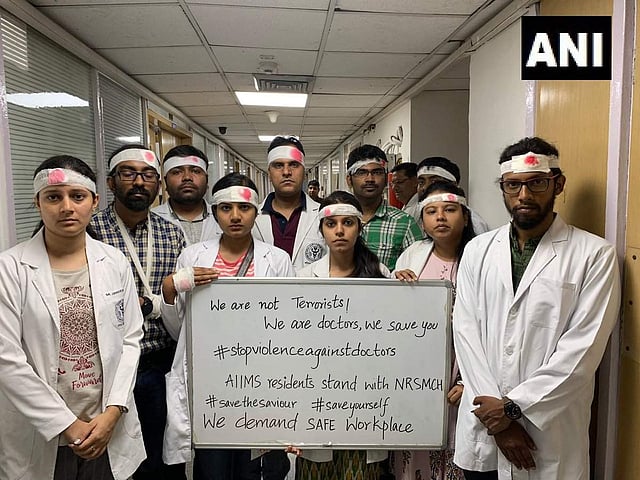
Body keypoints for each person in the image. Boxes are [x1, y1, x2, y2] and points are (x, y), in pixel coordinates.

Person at [452, 137, 621, 479]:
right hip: (484, 429)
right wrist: (498, 421)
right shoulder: (477, 250)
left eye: (537, 183)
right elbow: (466, 333)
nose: (524, 195)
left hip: (547, 434)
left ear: (558, 184)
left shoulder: (594, 255)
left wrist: (513, 410)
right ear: (503, 187)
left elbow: (582, 351)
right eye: (513, 185)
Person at [0, 155, 145, 479]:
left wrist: (114, 410)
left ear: (94, 201)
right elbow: (6, 359)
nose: (66, 207)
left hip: (107, 427)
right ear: (38, 203)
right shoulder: (9, 269)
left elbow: (131, 339)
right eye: (54, 197)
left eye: (77, 196)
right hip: (42, 432)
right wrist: (66, 424)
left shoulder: (114, 262)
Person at [161, 173, 294, 480]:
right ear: (215, 212)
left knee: (255, 468)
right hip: (210, 379)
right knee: (213, 467)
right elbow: (179, 329)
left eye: (244, 208)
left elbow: (288, 326)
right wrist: (169, 290)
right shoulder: (193, 257)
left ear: (256, 212)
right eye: (226, 208)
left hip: (261, 379)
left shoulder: (277, 259)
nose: (235, 216)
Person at [91, 144, 187, 480]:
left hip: (158, 360)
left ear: (158, 185)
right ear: (111, 182)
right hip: (107, 364)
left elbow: (181, 297)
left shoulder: (171, 233)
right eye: (128, 174)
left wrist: (154, 303)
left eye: (147, 175)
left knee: (161, 458)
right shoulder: (91, 230)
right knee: (110, 459)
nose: (138, 182)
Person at [295, 190, 390, 480]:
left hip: (366, 399)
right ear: (321, 229)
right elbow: (292, 347)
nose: (339, 231)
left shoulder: (380, 274)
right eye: (331, 224)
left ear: (359, 227)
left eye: (348, 223)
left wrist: (407, 286)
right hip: (315, 397)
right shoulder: (303, 278)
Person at [392, 182, 476, 480]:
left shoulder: (480, 256)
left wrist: (469, 380)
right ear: (423, 220)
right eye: (431, 212)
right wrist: (397, 285)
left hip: (463, 371)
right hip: (418, 372)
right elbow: (393, 318)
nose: (440, 217)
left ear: (465, 216)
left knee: (458, 448)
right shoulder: (412, 255)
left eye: (449, 210)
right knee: (418, 445)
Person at [253, 135, 326, 270]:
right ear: (269, 173)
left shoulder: (323, 215)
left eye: (294, 164)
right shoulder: (251, 218)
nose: (286, 172)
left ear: (304, 171)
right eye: (278, 165)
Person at [346, 144, 423, 271]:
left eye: (377, 172)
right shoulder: (334, 221)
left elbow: (418, 270)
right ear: (349, 180)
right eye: (361, 172)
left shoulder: (404, 223)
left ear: (386, 178)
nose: (370, 179)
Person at [153, 145, 221, 245]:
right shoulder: (151, 219)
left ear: (207, 180)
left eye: (195, 171)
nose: (187, 177)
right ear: (165, 181)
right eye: (177, 172)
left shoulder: (224, 217)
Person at [416, 156, 490, 234]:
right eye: (421, 182)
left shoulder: (474, 223)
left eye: (434, 181)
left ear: (453, 185)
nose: (425, 187)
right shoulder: (420, 214)